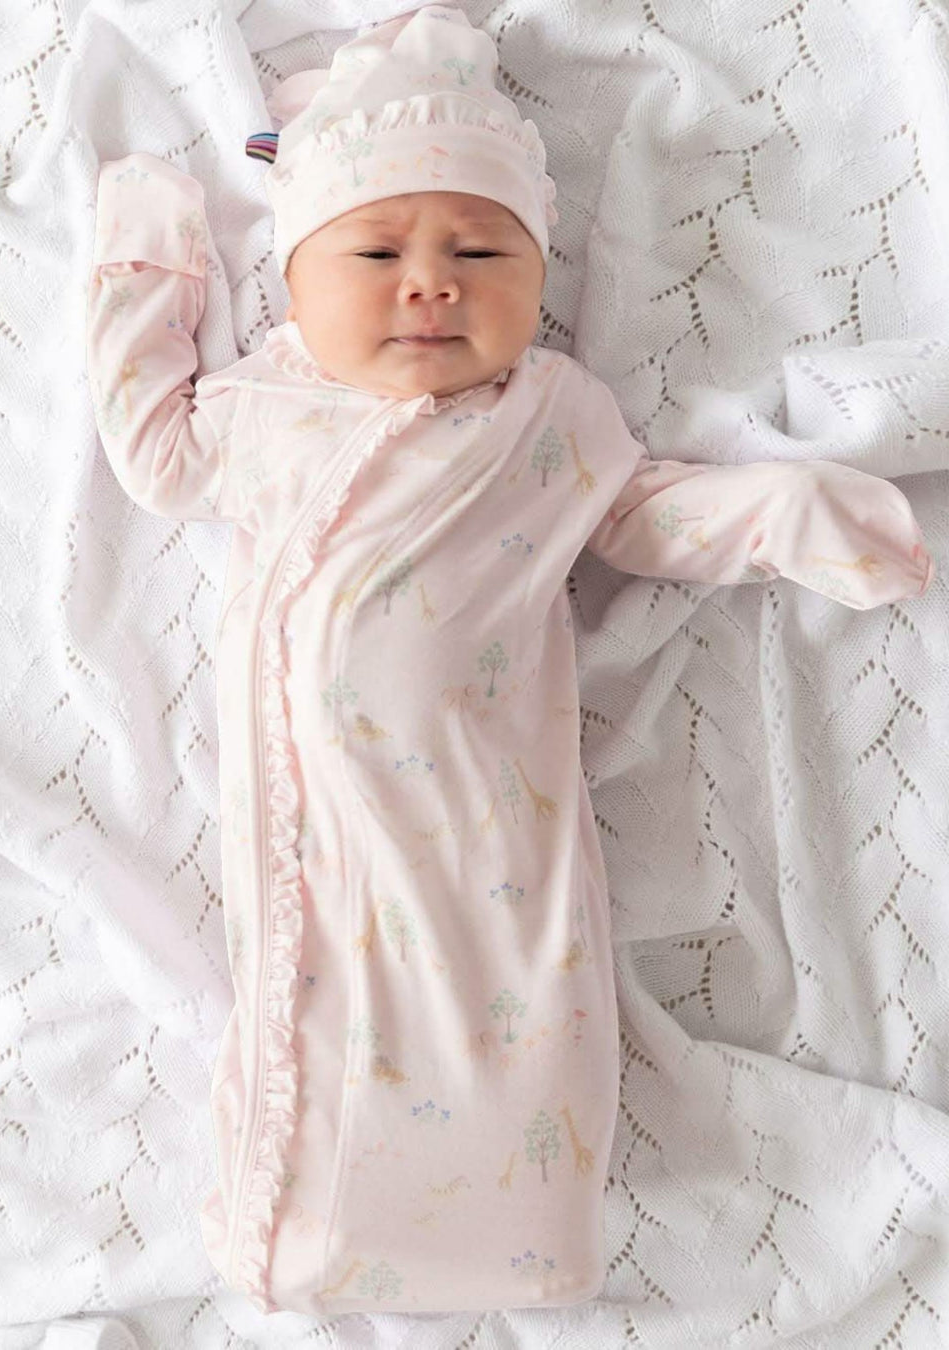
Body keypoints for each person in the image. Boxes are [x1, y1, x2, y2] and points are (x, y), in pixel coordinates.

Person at [85, 4, 933, 1317]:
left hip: (490, 824)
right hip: (324, 824)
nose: (432, 279)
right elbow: (150, 452)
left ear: (537, 284)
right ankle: (313, 1226)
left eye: (481, 248)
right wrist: (150, 259)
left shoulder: (547, 420)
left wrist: (788, 514)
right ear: (298, 284)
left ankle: (522, 1232)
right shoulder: (266, 408)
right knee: (324, 1008)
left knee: (517, 1015)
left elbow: (648, 515)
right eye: (376, 248)